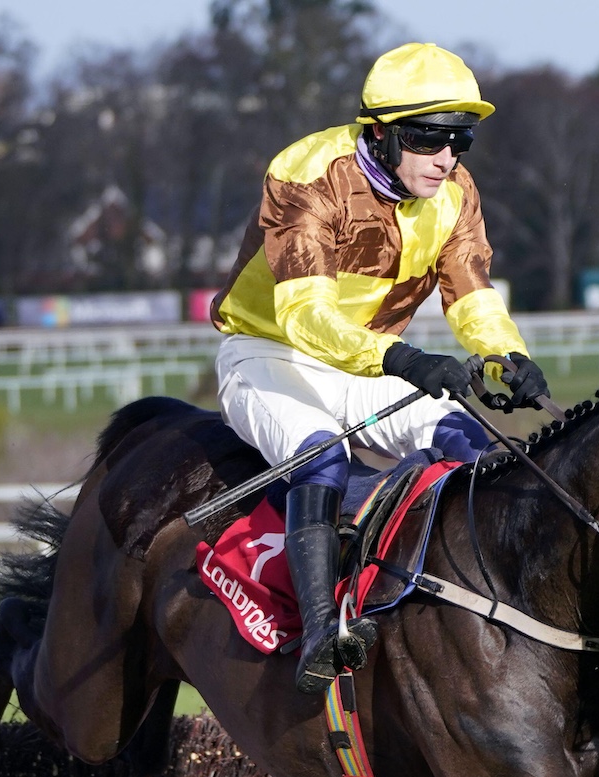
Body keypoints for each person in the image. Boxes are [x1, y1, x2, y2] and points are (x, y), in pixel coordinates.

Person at [209, 42, 552, 694]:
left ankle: (463, 607)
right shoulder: (307, 174)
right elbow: (306, 317)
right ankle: (318, 633)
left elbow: (473, 295)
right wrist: (404, 358)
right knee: (320, 459)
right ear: (381, 134)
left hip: (371, 361)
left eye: (461, 140)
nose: (446, 158)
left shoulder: (455, 194)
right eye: (428, 139)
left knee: (469, 444)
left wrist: (508, 358)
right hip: (270, 352)